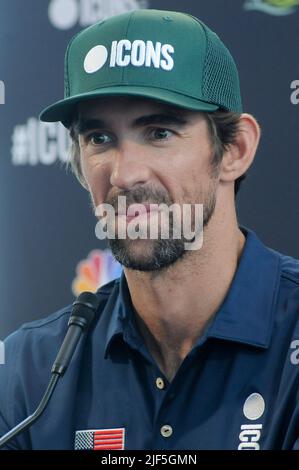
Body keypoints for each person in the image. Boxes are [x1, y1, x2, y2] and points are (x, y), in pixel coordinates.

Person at [1, 8, 299, 451]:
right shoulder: (28, 371)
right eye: (99, 138)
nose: (125, 174)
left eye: (159, 132)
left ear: (235, 149)